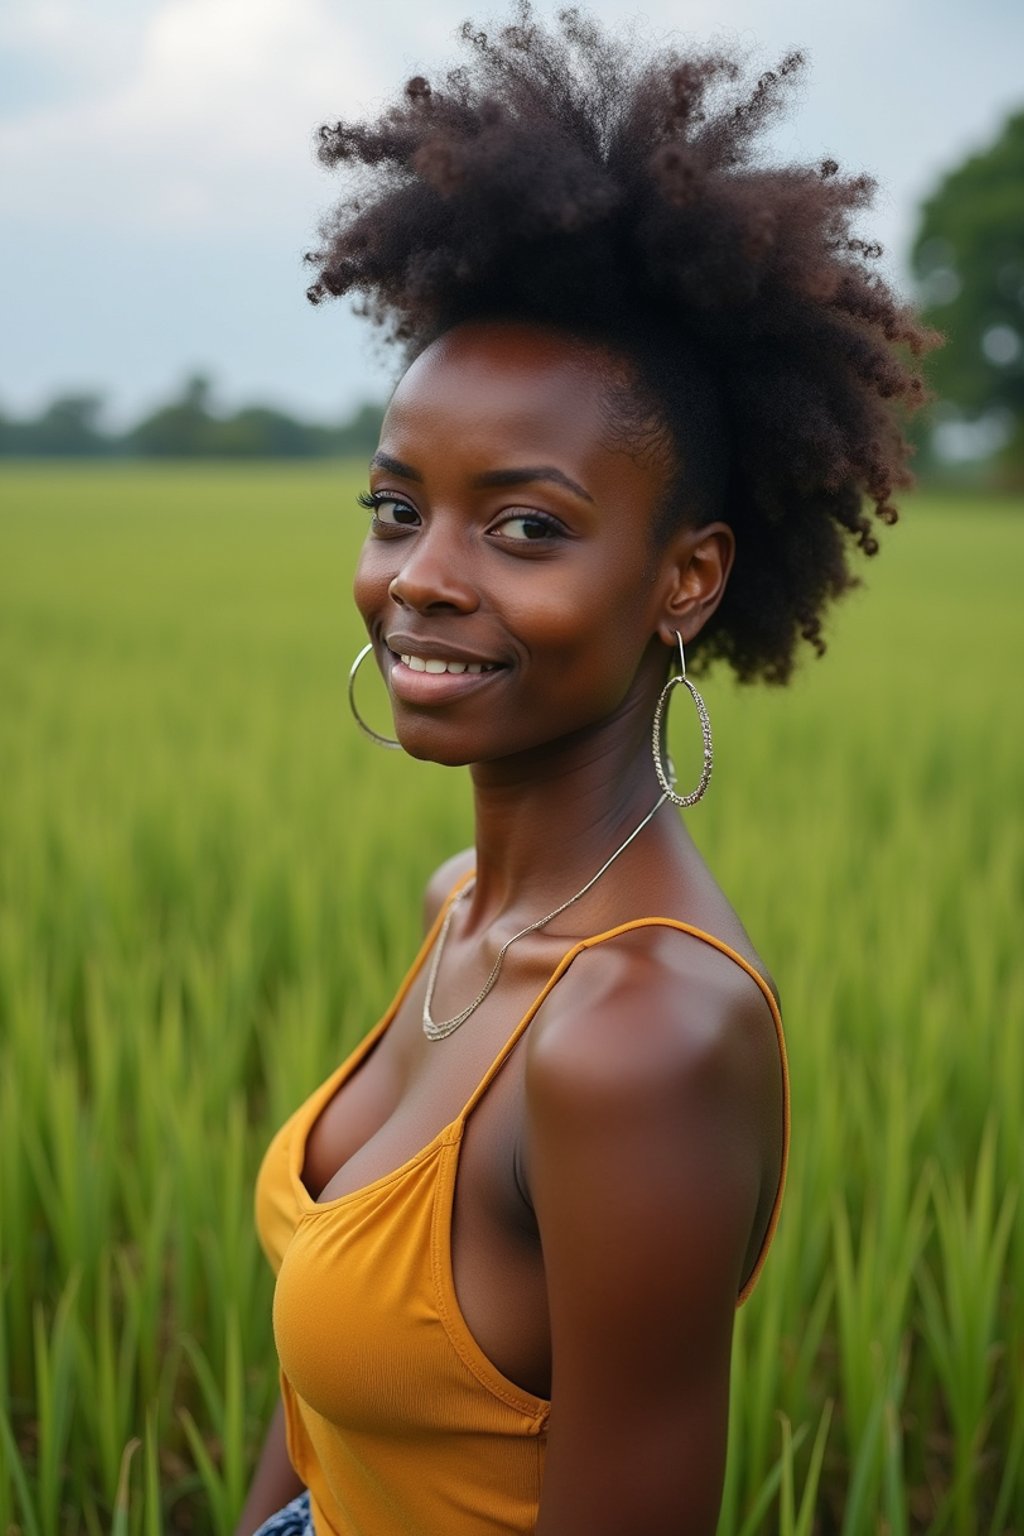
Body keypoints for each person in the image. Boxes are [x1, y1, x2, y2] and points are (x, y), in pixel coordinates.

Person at [237, 8, 933, 1533]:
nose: (419, 576)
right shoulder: (460, 909)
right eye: (395, 505)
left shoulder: (642, 1041)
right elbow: (322, 1406)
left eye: (527, 525)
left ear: (685, 579)